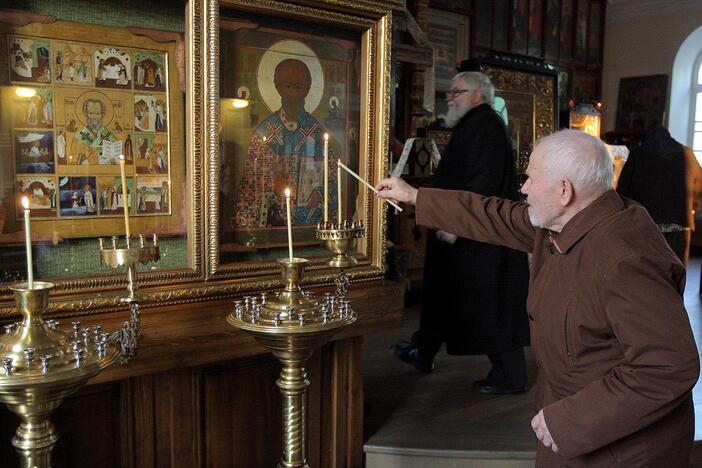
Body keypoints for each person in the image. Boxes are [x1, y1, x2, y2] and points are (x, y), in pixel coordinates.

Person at [376, 129, 700, 467]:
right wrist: (416, 196)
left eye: (530, 178)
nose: (524, 188)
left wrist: (569, 420)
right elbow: (495, 215)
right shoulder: (571, 221)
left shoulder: (624, 260)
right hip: (573, 429)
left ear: (564, 190)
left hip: (621, 449)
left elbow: (667, 366)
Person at [390, 71, 530, 395]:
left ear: (478, 96)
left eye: (457, 92)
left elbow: (484, 181)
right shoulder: (473, 125)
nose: (450, 98)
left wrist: (456, 224)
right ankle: (422, 351)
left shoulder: (487, 127)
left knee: (490, 308)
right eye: (449, 93)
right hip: (462, 232)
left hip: (480, 238)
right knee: (443, 296)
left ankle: (511, 376)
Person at [231, 58, 329, 229]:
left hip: (308, 223)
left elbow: (332, 179)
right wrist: (272, 183)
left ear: (308, 87)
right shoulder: (265, 131)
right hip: (273, 222)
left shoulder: (317, 132)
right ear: (277, 86)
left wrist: (319, 194)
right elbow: (251, 185)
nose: (293, 88)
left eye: (299, 85)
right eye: (288, 85)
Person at [616, 125, 702, 265]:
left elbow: (623, 190)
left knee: (649, 270)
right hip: (680, 223)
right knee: (676, 270)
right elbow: (699, 188)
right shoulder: (687, 154)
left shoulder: (638, 154)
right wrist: (693, 207)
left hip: (646, 223)